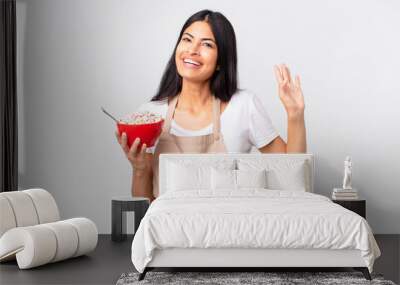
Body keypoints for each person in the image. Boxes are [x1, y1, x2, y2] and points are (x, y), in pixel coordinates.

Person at [115, 9, 307, 202]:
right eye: (187, 39)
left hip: (229, 227)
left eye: (206, 44)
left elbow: (291, 173)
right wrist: (139, 169)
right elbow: (145, 209)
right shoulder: (150, 115)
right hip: (170, 230)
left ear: (220, 61)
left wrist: (295, 115)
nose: (192, 50)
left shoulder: (243, 106)